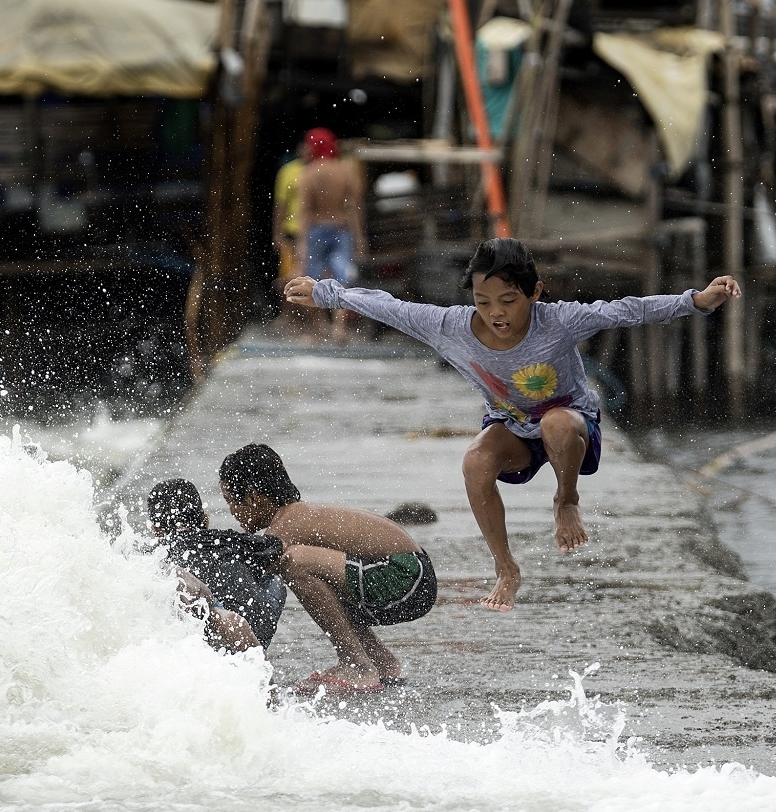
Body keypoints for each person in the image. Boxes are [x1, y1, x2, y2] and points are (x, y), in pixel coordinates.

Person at [284, 237, 740, 611]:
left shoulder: (558, 321)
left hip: (572, 429)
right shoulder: (450, 327)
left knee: (556, 424)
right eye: (483, 302)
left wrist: (697, 301)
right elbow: (388, 306)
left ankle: (566, 500)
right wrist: (325, 293)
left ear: (534, 292)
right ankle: (506, 568)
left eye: (508, 301)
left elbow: (626, 309)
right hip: (513, 428)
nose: (496, 313)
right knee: (475, 461)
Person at [218, 443, 436, 695]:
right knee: (322, 583)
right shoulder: (298, 516)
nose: (232, 512)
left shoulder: (286, 527)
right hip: (417, 578)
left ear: (254, 498)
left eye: (231, 502)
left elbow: (246, 580)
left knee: (293, 561)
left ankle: (357, 666)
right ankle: (382, 663)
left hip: (405, 576)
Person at [147, 478, 288, 654]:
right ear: (206, 520)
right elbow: (278, 546)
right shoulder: (227, 540)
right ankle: (256, 653)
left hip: (193, 638)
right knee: (273, 579)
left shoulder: (153, 556)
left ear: (156, 530)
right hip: (250, 629)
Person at [293, 128, 364, 345]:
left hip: (316, 229)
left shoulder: (308, 173)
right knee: (341, 279)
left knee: (312, 280)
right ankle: (339, 329)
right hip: (340, 228)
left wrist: (301, 242)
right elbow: (355, 208)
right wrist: (360, 237)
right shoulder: (346, 171)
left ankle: (313, 331)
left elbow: (305, 211)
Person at [271, 135, 311, 285]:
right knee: (287, 278)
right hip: (291, 231)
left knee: (311, 279)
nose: (308, 151)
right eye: (305, 147)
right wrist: (277, 234)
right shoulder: (287, 171)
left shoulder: (319, 170)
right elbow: (280, 205)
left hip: (312, 232)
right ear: (299, 148)